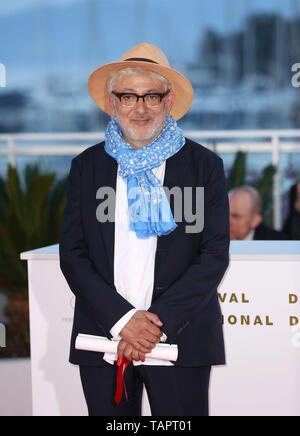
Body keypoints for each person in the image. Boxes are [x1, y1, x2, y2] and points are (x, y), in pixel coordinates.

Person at [59, 43, 230, 416]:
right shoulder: (86, 167)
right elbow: (73, 254)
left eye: (151, 96)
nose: (140, 108)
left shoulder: (205, 167)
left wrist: (154, 326)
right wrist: (124, 322)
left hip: (180, 338)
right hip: (103, 336)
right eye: (128, 96)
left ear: (168, 102)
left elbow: (213, 255)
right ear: (111, 101)